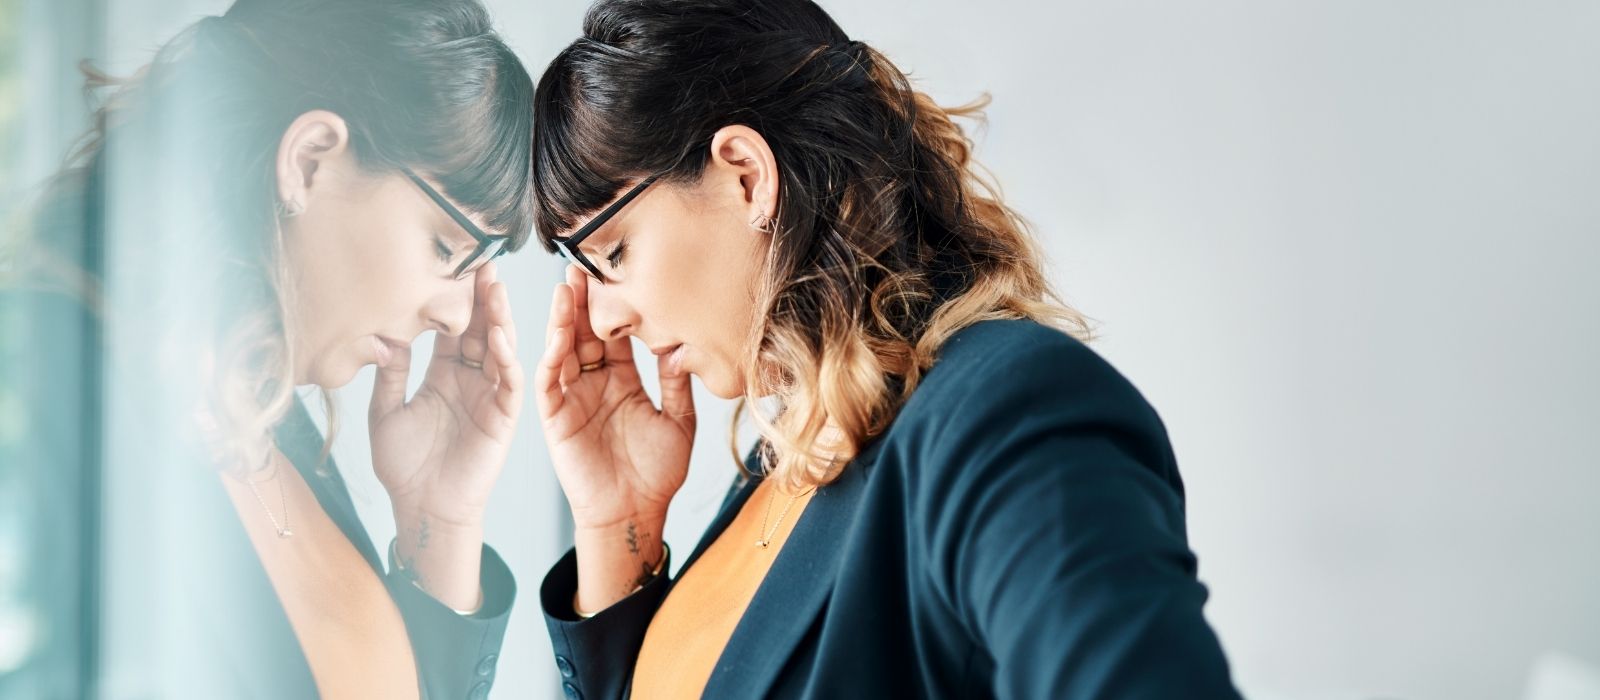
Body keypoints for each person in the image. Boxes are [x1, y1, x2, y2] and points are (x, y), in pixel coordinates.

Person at [529, 0, 1243, 697]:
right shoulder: (782, 465)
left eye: (612, 253)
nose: (603, 316)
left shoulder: (1004, 413)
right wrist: (616, 529)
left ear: (746, 174)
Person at [4, 0, 532, 696]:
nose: (455, 311)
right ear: (310, 160)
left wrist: (440, 522)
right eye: (445, 247)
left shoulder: (264, 414)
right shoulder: (46, 374)